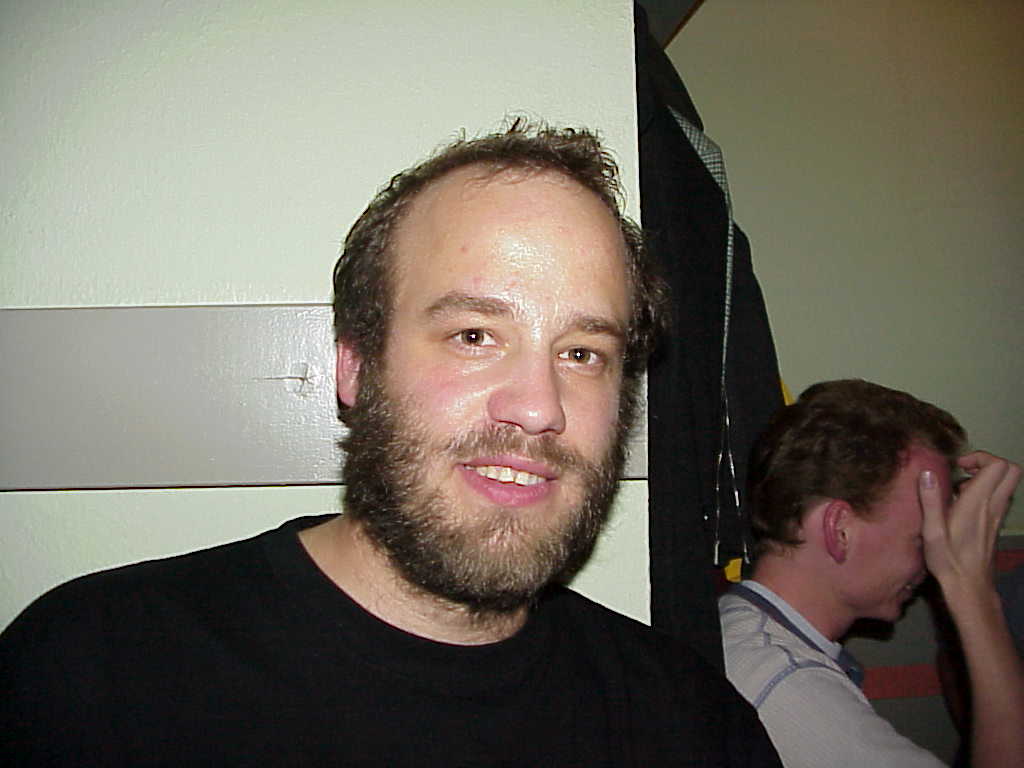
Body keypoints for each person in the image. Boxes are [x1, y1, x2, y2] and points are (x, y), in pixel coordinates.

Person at [1, 119, 781, 766]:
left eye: (583, 352)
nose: (539, 408)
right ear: (356, 366)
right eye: (474, 335)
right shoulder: (93, 672)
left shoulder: (693, 725)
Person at [719, 379, 1024, 768]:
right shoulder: (788, 687)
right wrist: (977, 597)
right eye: (922, 540)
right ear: (839, 531)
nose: (934, 565)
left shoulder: (740, 631)